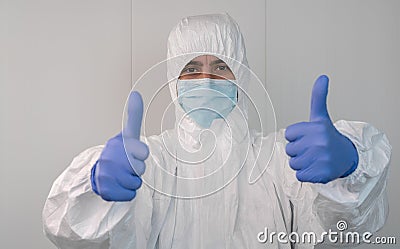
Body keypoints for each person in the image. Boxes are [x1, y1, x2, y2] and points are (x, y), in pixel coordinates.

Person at [42, 13, 391, 249]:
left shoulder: (280, 162)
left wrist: (349, 171)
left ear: (241, 77)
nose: (206, 80)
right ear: (173, 81)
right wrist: (96, 190)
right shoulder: (148, 164)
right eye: (191, 68)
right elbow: (75, 234)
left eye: (221, 66)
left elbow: (338, 236)